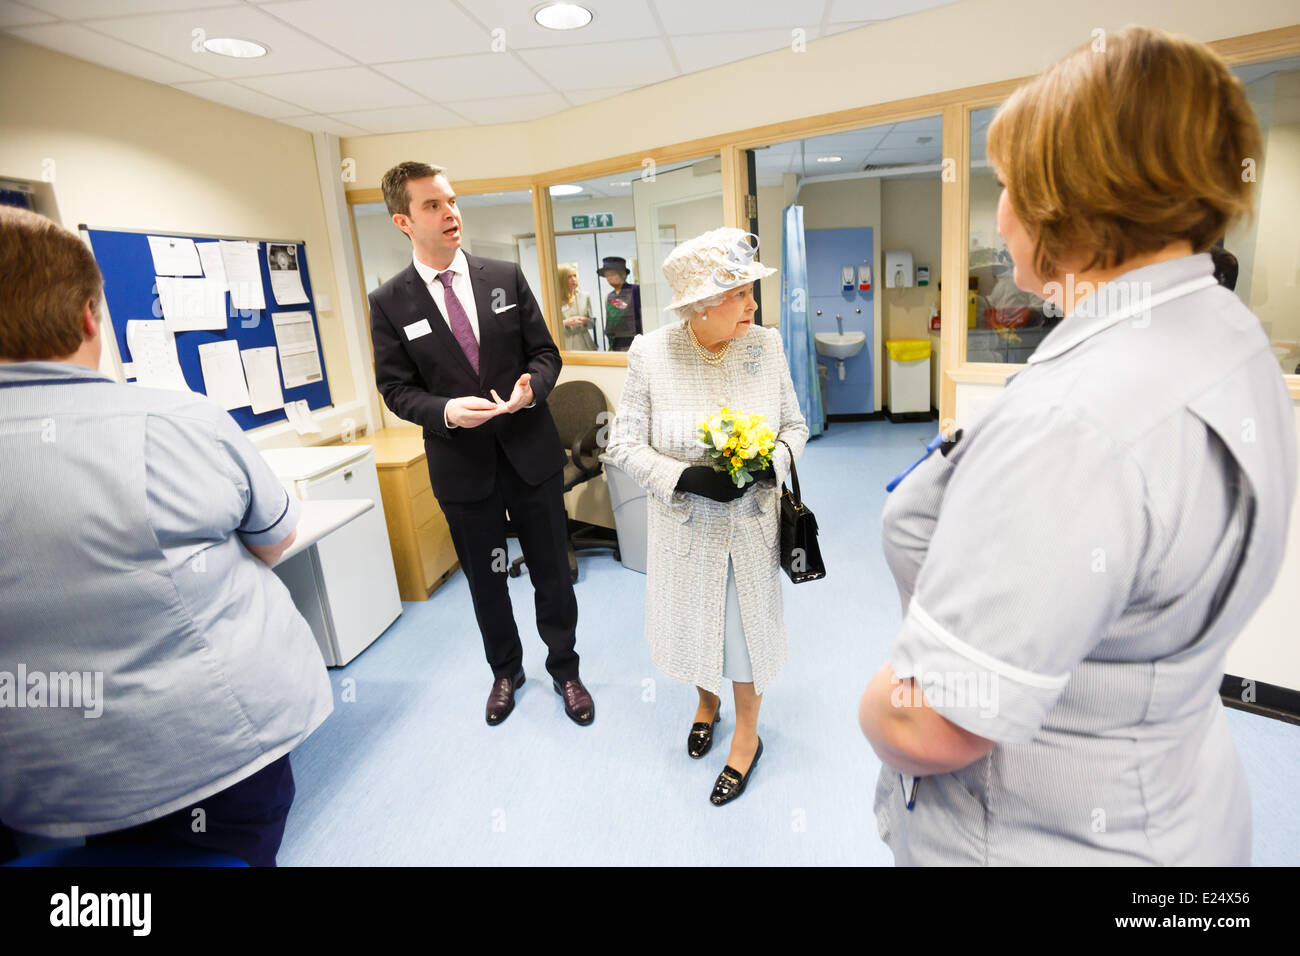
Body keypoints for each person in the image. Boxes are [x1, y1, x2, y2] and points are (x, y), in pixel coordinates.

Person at [859, 25, 1296, 865]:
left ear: (1068, 199)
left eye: (1007, 185)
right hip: (1177, 807)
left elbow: (929, 723)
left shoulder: (1074, 420)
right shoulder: (1227, 334)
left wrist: (878, 701)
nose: (1000, 213)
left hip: (1048, 835)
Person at [0, 207, 332, 866]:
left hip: (51, 772)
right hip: (218, 743)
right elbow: (274, 540)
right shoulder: (179, 421)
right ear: (89, 317)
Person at [368, 161, 594, 727]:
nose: (450, 213)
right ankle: (505, 671)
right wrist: (445, 411)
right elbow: (395, 389)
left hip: (530, 453)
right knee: (487, 581)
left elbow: (546, 354)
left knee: (551, 571)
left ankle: (565, 669)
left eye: (451, 201)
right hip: (462, 467)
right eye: (432, 205)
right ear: (403, 221)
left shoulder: (504, 277)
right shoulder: (390, 302)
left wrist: (531, 387)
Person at [604, 228, 808, 805]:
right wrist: (684, 477)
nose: (752, 305)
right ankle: (706, 702)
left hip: (751, 526)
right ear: (699, 304)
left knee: (745, 634)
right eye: (738, 293)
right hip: (687, 528)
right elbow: (622, 445)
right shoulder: (651, 354)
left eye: (750, 291)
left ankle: (747, 736)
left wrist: (771, 464)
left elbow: (795, 426)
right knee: (698, 623)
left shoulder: (764, 346)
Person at [600, 255, 641, 351]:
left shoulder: (635, 290)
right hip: (616, 343)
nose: (609, 278)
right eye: (607, 275)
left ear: (622, 274)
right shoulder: (610, 296)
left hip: (634, 341)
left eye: (612, 274)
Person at [558, 262, 596, 351]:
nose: (573, 279)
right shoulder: (555, 301)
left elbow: (592, 324)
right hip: (566, 346)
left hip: (586, 346)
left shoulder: (585, 297)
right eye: (569, 277)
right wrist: (565, 323)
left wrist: (586, 321)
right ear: (562, 279)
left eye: (575, 276)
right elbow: (551, 327)